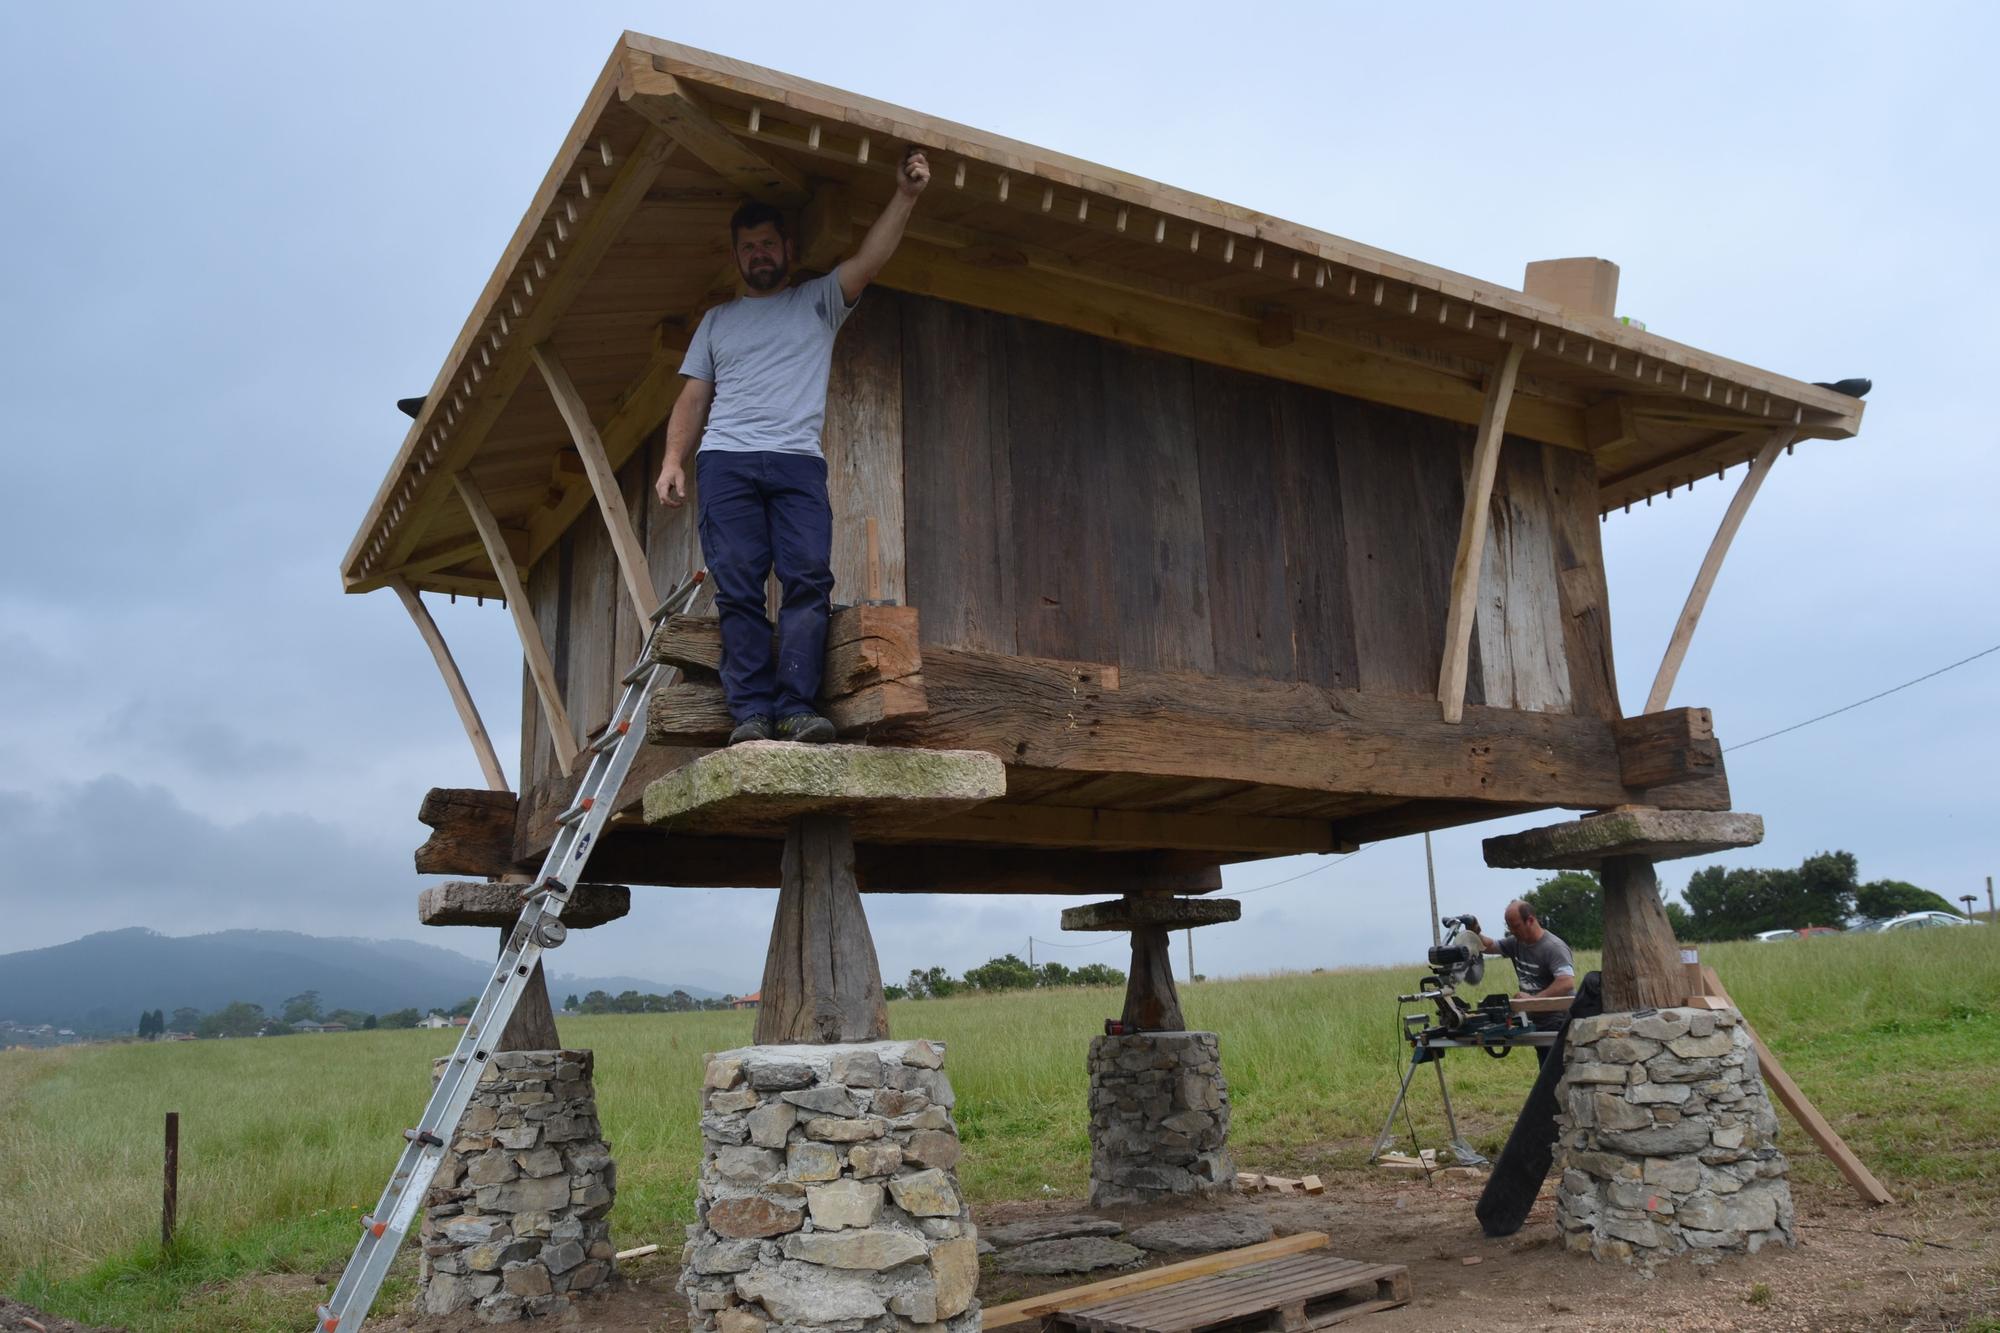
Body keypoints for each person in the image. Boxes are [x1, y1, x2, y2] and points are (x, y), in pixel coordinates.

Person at [655, 147, 932, 744]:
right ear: (737, 257)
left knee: (808, 579)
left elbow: (871, 258)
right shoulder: (717, 322)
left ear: (787, 250)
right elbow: (692, 399)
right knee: (740, 585)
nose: (759, 255)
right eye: (748, 247)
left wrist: (905, 196)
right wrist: (673, 460)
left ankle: (797, 708)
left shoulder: (818, 301)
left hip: (797, 462)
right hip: (726, 461)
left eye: (767, 245)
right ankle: (751, 714)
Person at [1475, 900, 1576, 1000]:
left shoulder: (1554, 947)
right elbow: (1489, 946)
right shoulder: (1515, 942)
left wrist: (1534, 999)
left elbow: (1566, 982)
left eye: (1516, 926)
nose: (1512, 931)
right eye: (1509, 927)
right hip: (1530, 1011)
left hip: (1558, 1015)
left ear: (1530, 921)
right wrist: (1474, 933)